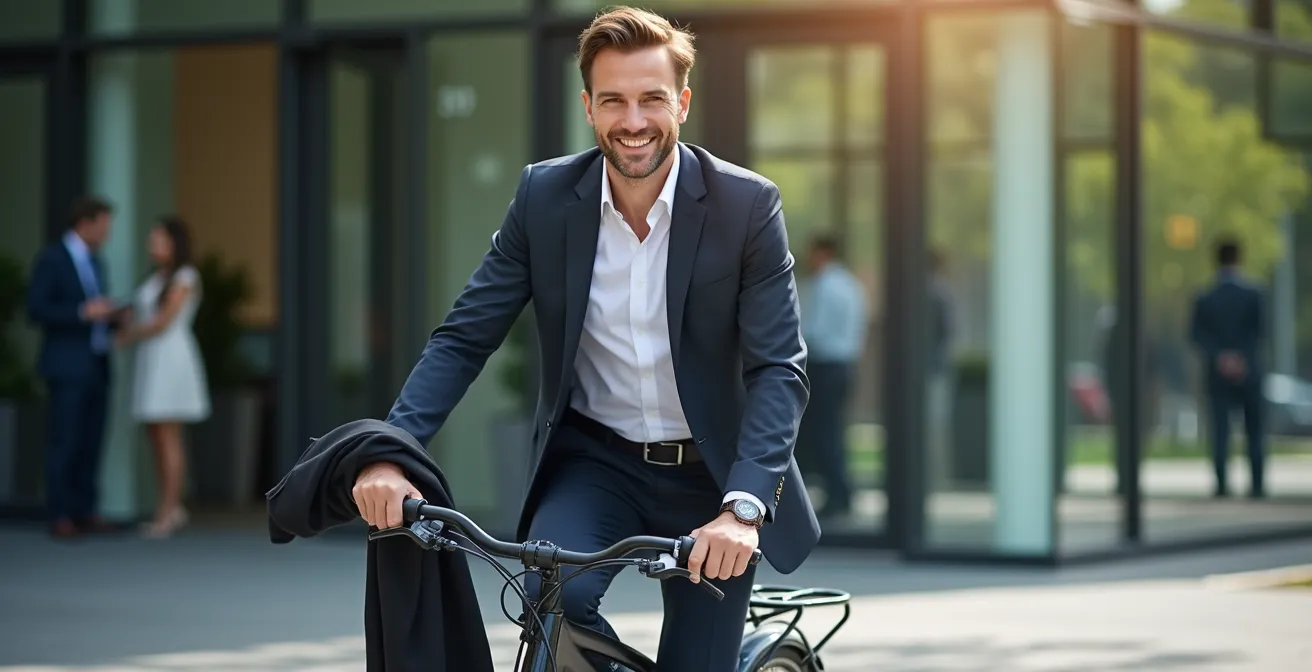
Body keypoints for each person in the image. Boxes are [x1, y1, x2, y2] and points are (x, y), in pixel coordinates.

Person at [351, 6, 819, 670]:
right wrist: (390, 453)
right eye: (613, 101)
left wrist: (743, 509)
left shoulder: (746, 206)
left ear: (682, 103)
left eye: (651, 99)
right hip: (598, 465)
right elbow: (463, 338)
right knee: (554, 610)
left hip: (713, 475)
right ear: (589, 108)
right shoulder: (544, 198)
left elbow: (778, 370)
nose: (634, 121)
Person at [26, 197, 123, 539]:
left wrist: (113, 317)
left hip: (96, 364)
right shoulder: (52, 259)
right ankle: (61, 513)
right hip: (66, 367)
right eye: (104, 227)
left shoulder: (97, 262)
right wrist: (83, 312)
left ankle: (85, 510)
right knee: (64, 440)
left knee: (91, 442)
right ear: (84, 223)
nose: (107, 235)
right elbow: (36, 309)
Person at [116, 216, 211, 537]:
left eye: (158, 239)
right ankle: (172, 506)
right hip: (152, 358)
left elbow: (164, 321)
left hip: (171, 360)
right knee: (155, 433)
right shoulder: (157, 277)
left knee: (169, 434)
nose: (152, 244)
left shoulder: (185, 276)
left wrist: (128, 334)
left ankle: (168, 511)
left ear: (174, 243)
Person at [1189, 238, 1267, 498]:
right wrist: (1241, 357)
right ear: (1240, 259)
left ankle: (1222, 484)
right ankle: (1257, 485)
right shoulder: (1254, 295)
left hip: (1217, 373)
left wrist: (1221, 357)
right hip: (1249, 372)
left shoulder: (1205, 297)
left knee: (1220, 430)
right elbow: (1259, 332)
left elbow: (1196, 335)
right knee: (1254, 430)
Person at [796, 234, 867, 520]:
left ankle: (837, 493)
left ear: (822, 253)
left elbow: (814, 331)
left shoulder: (825, 286)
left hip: (824, 366)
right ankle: (841, 491)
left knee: (824, 433)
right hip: (844, 365)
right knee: (832, 431)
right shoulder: (850, 284)